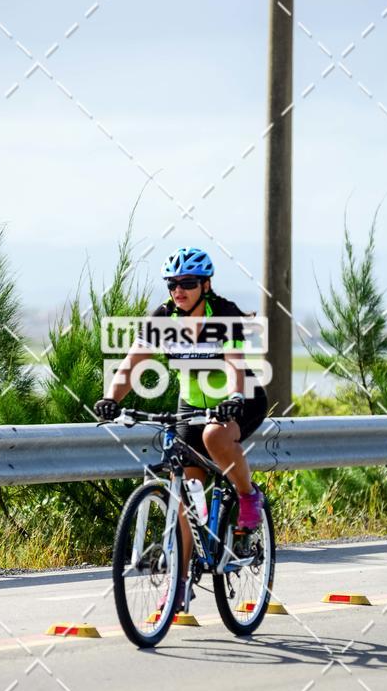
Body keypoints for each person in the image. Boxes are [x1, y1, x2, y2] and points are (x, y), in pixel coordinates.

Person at [94, 247, 269, 609]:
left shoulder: (224, 313)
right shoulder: (164, 318)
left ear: (206, 285)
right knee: (185, 496)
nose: (178, 290)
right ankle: (179, 583)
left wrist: (234, 396)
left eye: (187, 283)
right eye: (172, 284)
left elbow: (234, 363)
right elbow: (131, 363)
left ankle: (247, 495)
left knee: (214, 435)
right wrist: (111, 398)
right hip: (191, 404)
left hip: (241, 398)